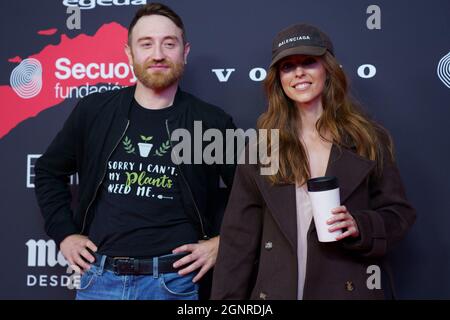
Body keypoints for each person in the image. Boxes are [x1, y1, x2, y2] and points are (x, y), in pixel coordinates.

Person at [35, 3, 236, 300]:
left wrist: (224, 242)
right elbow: (48, 171)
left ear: (185, 51)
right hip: (99, 281)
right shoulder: (95, 111)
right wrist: (64, 233)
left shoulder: (210, 122)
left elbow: (253, 193)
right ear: (129, 53)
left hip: (175, 283)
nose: (158, 54)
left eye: (169, 44)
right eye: (146, 44)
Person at [211, 23, 416, 300]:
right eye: (287, 67)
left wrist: (360, 225)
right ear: (278, 79)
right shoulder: (263, 148)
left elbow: (399, 214)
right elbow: (237, 242)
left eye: (309, 62)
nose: (298, 73)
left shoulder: (367, 138)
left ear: (328, 68)